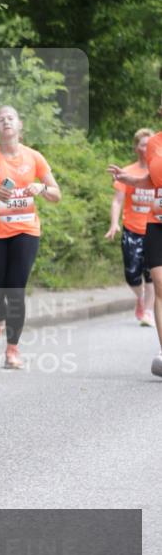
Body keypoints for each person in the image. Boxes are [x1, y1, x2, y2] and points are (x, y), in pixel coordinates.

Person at [0, 105, 61, 369]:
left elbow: (56, 194)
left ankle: (12, 350)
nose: (6, 122)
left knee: (15, 290)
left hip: (26, 230)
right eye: (0, 119)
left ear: (20, 125)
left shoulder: (34, 158)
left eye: (10, 118)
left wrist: (42, 188)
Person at [108, 101, 162, 378]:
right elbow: (152, 181)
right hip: (155, 224)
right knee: (153, 284)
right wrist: (129, 178)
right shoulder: (155, 143)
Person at [105, 128, 155, 326]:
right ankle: (141, 298)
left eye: (150, 144)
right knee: (132, 273)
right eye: (143, 144)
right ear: (136, 148)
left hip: (154, 230)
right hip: (132, 230)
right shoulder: (128, 172)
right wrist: (114, 223)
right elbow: (117, 201)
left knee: (152, 274)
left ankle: (149, 312)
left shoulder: (158, 170)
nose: (146, 148)